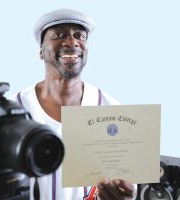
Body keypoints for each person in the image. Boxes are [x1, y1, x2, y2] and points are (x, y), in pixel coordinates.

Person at [13, 8, 136, 200]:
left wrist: (124, 196)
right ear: (40, 51)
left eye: (80, 35)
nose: (72, 42)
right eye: (58, 34)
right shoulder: (11, 111)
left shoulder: (113, 111)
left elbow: (127, 186)